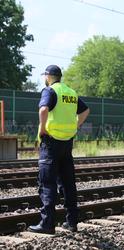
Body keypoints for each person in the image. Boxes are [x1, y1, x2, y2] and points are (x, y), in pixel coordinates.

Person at [28, 65, 90, 234]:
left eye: (45, 76)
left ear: (48, 76)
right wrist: (74, 126)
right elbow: (85, 111)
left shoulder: (50, 91)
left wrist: (42, 129)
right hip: (66, 142)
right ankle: (72, 222)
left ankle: (47, 224)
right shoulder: (70, 92)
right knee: (68, 182)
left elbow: (43, 109)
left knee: (47, 182)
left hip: (51, 142)